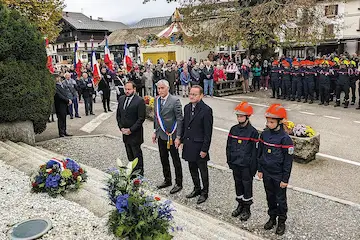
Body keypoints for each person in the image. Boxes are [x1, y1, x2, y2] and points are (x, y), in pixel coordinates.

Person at [257, 104, 294, 236]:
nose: (268, 123)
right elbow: (260, 153)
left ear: (279, 122)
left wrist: (285, 179)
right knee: (270, 197)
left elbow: (288, 162)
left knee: (281, 199)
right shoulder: (265, 135)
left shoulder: (285, 139)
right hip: (267, 173)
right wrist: (260, 169)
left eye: (271, 121)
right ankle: (272, 217)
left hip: (278, 175)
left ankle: (281, 221)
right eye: (267, 121)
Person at [226, 102, 258, 221]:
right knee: (238, 184)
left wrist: (253, 167)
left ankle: (247, 208)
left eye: (241, 116)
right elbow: (228, 146)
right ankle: (240, 204)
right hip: (235, 163)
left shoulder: (253, 132)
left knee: (247, 186)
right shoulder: (233, 129)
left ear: (247, 117)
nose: (239, 118)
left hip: (246, 166)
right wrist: (229, 161)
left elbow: (255, 152)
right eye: (238, 116)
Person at [182, 85, 213, 204]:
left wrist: (205, 149)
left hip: (199, 146)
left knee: (203, 170)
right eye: (190, 94)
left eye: (195, 94)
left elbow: (208, 132)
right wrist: (182, 140)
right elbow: (185, 125)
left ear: (201, 96)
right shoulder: (187, 108)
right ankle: (196, 188)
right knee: (192, 168)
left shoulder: (206, 110)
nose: (192, 96)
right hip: (189, 144)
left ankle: (205, 192)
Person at [152, 80, 183, 194]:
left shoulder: (175, 101)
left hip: (172, 135)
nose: (160, 91)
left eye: (162, 88)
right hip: (161, 135)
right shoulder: (156, 100)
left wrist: (178, 136)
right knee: (163, 158)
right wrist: (155, 131)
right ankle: (167, 180)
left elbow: (179, 119)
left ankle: (179, 183)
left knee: (175, 160)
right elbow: (156, 117)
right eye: (158, 88)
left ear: (168, 88)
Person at [117, 82, 146, 176]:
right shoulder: (121, 99)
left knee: (137, 154)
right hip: (124, 133)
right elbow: (118, 115)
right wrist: (121, 128)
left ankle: (139, 173)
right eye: (126, 89)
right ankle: (131, 170)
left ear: (134, 89)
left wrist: (131, 129)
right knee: (129, 153)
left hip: (135, 133)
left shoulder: (139, 101)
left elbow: (141, 118)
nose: (127, 91)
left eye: (129, 89)